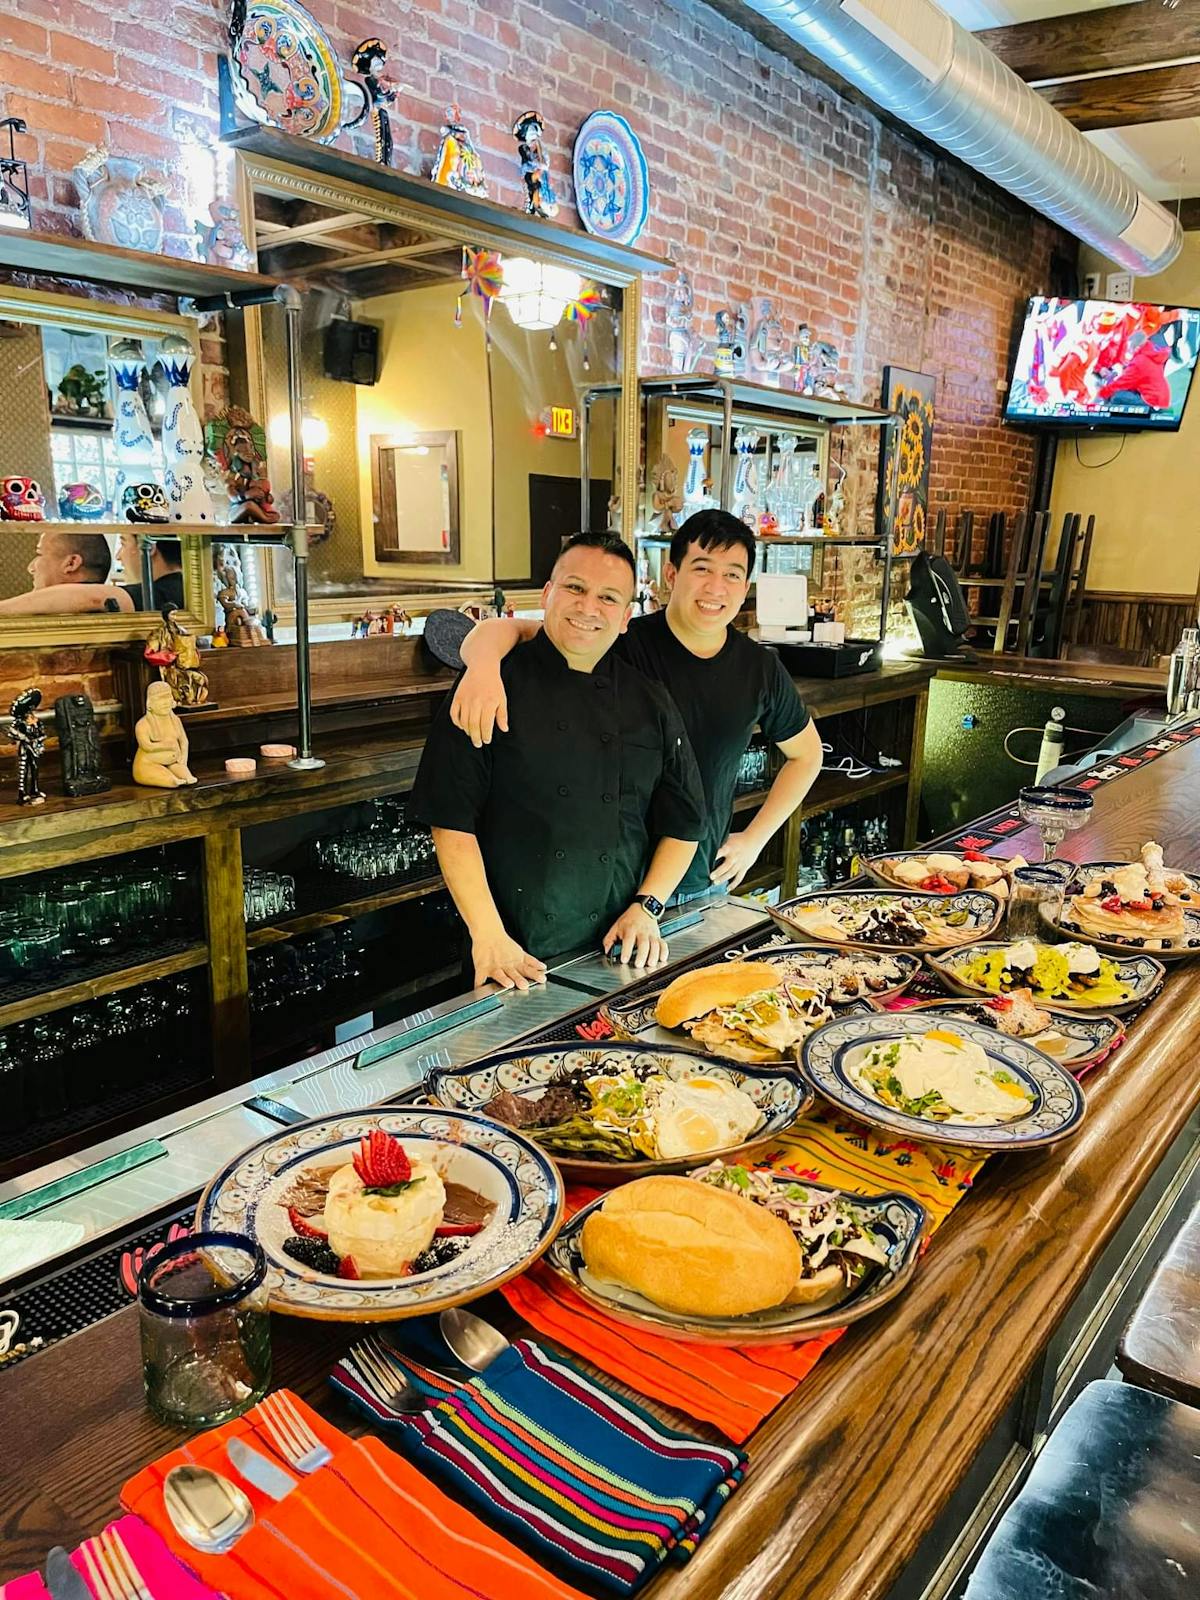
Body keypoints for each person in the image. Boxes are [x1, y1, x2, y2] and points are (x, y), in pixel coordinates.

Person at [452, 509, 823, 901]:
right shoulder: (621, 637)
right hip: (610, 889)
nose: (717, 587)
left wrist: (754, 839)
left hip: (700, 880)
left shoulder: (759, 668)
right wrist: (483, 666)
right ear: (671, 574)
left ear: (745, 585)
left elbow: (807, 756)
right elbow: (514, 630)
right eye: (702, 568)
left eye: (732, 574)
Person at [411, 532, 705, 990]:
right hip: (512, 956)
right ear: (547, 594)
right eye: (574, 588)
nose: (588, 608)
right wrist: (488, 935)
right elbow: (451, 821)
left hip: (620, 950)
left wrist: (648, 908)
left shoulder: (650, 701)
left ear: (626, 617)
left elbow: (685, 823)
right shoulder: (490, 685)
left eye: (608, 597)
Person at [0, 529, 133, 615]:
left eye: (40, 554)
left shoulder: (113, 604)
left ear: (71, 563)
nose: (31, 567)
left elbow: (95, 598)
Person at [117, 532, 185, 611]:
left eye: (123, 544)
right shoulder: (187, 589)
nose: (118, 556)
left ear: (150, 547)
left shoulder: (160, 595)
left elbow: (99, 599)